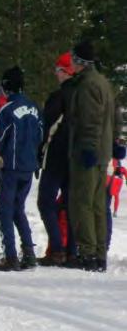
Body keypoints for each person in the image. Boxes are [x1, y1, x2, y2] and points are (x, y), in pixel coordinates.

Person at [65, 40, 119, 272]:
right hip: (103, 151)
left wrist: (87, 146)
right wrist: (116, 142)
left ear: (79, 62)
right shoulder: (103, 82)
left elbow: (90, 120)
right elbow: (115, 115)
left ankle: (88, 253)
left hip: (90, 152)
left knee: (83, 203)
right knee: (98, 204)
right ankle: (99, 253)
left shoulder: (87, 85)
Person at [0, 67, 43, 271]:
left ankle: (10, 256)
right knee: (19, 208)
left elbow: (0, 135)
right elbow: (41, 135)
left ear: (7, 87)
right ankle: (28, 252)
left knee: (5, 210)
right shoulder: (35, 108)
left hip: (10, 166)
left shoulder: (7, 109)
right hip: (28, 167)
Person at [37, 53, 78, 267]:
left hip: (56, 154)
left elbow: (47, 128)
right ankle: (72, 250)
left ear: (65, 71)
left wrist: (39, 151)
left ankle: (57, 248)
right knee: (71, 204)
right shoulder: (84, 95)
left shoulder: (58, 96)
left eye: (58, 71)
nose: (56, 75)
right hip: (76, 154)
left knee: (45, 201)